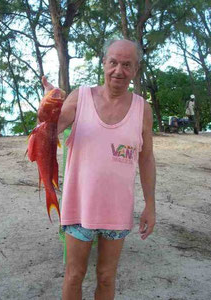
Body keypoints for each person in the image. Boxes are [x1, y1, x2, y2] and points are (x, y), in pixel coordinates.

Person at [42, 39, 156, 300]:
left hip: (117, 210)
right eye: (113, 62)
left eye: (126, 65)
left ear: (135, 70)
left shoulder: (142, 109)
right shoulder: (80, 97)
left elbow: (147, 158)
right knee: (74, 275)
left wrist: (150, 204)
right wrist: (50, 105)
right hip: (78, 208)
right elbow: (52, 128)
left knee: (106, 277)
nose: (119, 70)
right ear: (103, 63)